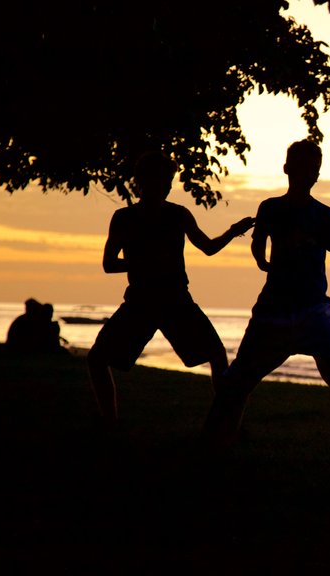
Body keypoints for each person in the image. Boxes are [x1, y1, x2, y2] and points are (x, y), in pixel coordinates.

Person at [202, 140, 330, 465]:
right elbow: (258, 246)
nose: (304, 173)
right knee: (237, 381)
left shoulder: (324, 215)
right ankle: (212, 448)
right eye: (299, 166)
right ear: (287, 169)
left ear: (317, 174)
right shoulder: (271, 208)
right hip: (273, 312)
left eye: (310, 167)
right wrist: (265, 262)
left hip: (314, 312)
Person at [87, 151, 255, 429]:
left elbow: (209, 247)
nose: (165, 187)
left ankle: (226, 424)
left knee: (216, 353)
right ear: (140, 182)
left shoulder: (179, 214)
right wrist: (142, 261)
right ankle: (110, 422)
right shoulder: (124, 217)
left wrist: (233, 230)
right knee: (97, 359)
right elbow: (108, 264)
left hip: (176, 300)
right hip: (141, 301)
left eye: (168, 181)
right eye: (160, 181)